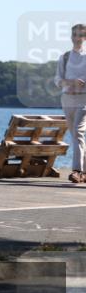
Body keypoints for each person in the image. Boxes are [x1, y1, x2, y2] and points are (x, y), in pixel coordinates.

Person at [55, 23, 86, 184]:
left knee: (78, 132)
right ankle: (84, 171)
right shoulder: (65, 57)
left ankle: (77, 171)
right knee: (75, 135)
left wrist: (81, 83)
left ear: (85, 37)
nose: (77, 38)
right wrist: (70, 82)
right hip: (67, 99)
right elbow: (57, 80)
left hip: (83, 99)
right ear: (71, 37)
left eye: (81, 35)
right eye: (75, 34)